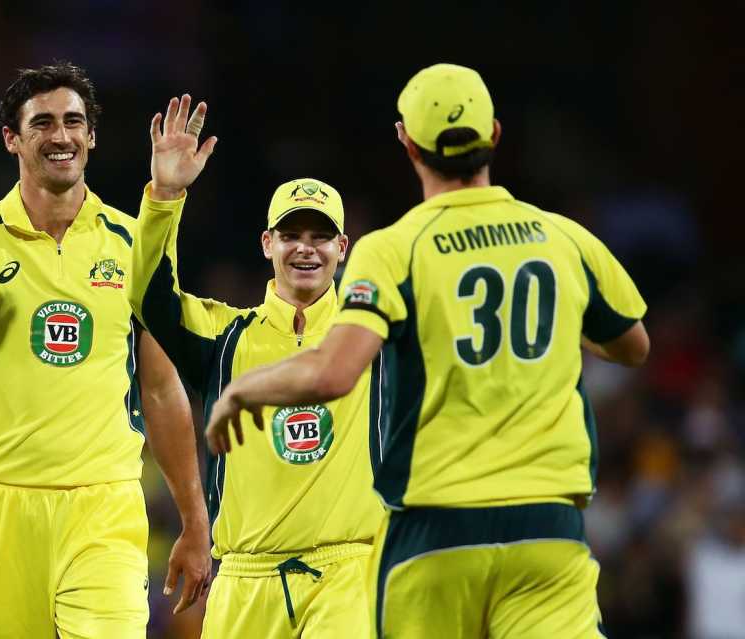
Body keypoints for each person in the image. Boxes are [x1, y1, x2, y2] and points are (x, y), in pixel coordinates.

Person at [206, 63, 650, 638]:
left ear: (406, 142)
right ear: (493, 133)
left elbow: (335, 372)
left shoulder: (396, 251)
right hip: (548, 524)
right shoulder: (563, 238)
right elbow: (634, 346)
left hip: (437, 528)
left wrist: (243, 389)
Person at [0, 62, 211, 639]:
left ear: (93, 136)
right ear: (13, 138)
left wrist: (195, 519)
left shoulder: (133, 240)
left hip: (104, 505)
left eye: (75, 122)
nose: (62, 136)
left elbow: (160, 387)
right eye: (44, 123)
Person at [127, 94, 387, 638]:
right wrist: (166, 196)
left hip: (349, 574)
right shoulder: (225, 338)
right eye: (291, 235)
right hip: (244, 580)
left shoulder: (375, 333)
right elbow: (151, 301)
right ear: (267, 244)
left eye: (320, 237)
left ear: (344, 246)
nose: (306, 250)